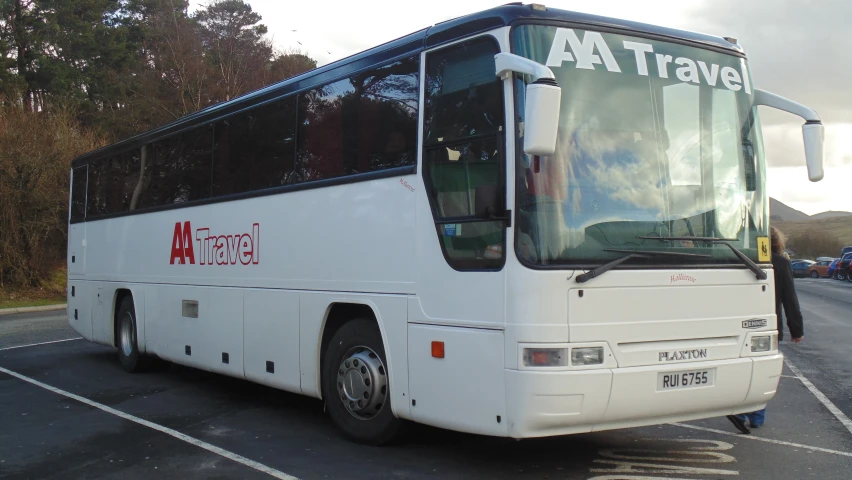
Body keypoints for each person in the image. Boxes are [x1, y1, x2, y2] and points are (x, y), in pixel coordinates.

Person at [726, 226, 804, 434]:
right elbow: (790, 299)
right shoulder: (779, 262)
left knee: (741, 368)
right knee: (760, 369)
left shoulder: (734, 260)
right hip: (767, 325)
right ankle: (756, 415)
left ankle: (740, 411)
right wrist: (796, 330)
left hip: (738, 324)